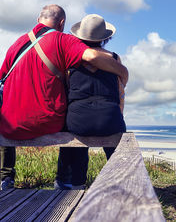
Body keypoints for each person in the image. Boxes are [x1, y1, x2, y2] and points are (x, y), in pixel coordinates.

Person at [0, 5, 128, 190]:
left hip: (18, 124)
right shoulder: (107, 56)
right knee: (97, 130)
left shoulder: (18, 46)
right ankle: (119, 182)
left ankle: (64, 181)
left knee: (72, 126)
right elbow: (114, 86)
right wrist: (123, 72)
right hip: (91, 120)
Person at [54, 14, 126, 190]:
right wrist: (117, 117)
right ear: (105, 38)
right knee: (115, 134)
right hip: (109, 117)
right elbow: (120, 93)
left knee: (74, 131)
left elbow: (66, 89)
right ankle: (120, 182)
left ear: (80, 35)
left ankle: (71, 182)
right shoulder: (115, 59)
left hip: (78, 119)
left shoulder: (71, 59)